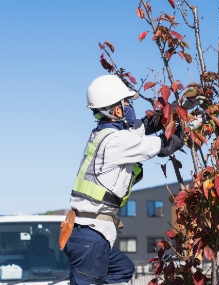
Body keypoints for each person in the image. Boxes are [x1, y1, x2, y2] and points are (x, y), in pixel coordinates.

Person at [63, 74, 183, 285]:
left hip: (87, 234)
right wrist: (187, 127)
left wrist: (180, 108)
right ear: (116, 110)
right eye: (126, 102)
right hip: (91, 235)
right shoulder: (116, 141)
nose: (130, 106)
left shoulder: (105, 133)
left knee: (122, 269)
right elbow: (164, 145)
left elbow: (147, 124)